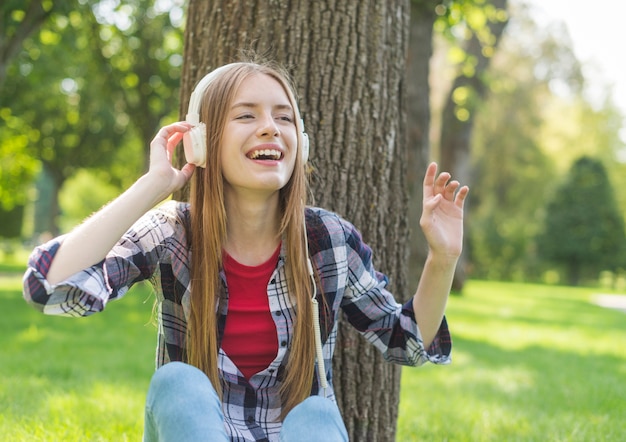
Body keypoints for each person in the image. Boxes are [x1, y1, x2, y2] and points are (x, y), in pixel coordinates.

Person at [23, 58, 469, 442]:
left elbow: (407, 341)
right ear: (202, 141)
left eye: (283, 117)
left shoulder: (328, 239)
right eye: (246, 116)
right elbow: (49, 287)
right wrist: (155, 186)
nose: (270, 128)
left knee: (315, 413)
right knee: (178, 382)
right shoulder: (172, 232)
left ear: (301, 143)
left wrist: (442, 259)